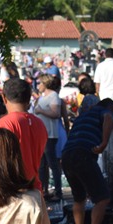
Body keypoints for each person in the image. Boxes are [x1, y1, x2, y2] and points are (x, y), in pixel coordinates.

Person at [61, 98, 113, 224]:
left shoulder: (82, 116)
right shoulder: (104, 111)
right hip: (83, 155)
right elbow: (108, 117)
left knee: (79, 198)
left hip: (67, 156)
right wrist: (104, 144)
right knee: (102, 198)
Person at [0, 78, 48, 191]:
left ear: (4, 97)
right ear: (28, 99)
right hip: (35, 188)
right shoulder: (40, 123)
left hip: (13, 189)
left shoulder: (5, 123)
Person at [34, 73, 63, 201]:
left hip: (49, 135)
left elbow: (56, 113)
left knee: (52, 164)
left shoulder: (53, 96)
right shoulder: (42, 97)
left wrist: (41, 111)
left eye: (39, 83)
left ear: (45, 84)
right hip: (41, 134)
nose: (38, 85)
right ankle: (43, 190)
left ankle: (58, 191)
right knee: (42, 165)